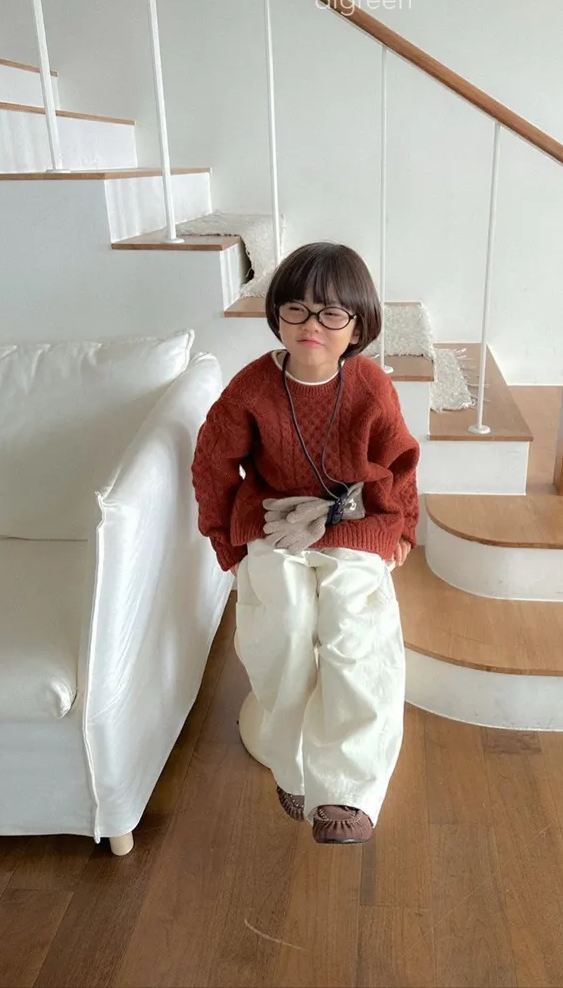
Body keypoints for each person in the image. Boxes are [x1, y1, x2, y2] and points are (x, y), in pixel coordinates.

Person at [191, 241, 420, 844]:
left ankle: (347, 791)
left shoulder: (370, 385)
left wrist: (403, 526)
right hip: (274, 521)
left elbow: (398, 461)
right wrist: (223, 540)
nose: (311, 324)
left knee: (353, 630)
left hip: (354, 518)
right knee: (283, 629)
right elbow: (213, 462)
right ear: (277, 315)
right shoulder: (252, 386)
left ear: (357, 327)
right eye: (296, 308)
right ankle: (292, 768)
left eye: (331, 313)